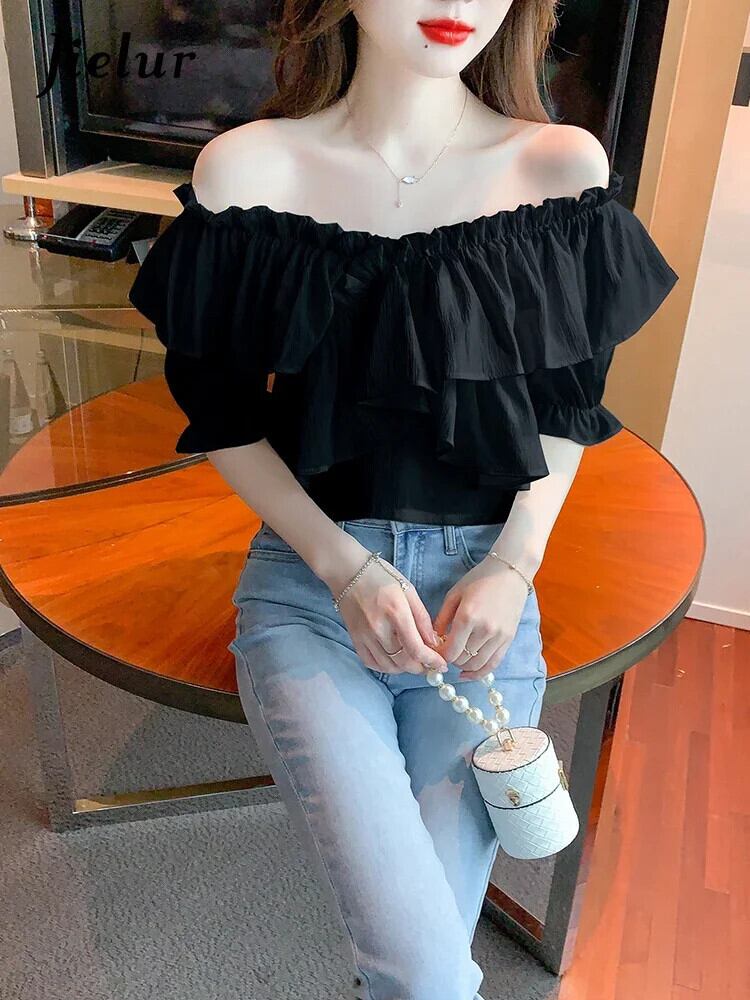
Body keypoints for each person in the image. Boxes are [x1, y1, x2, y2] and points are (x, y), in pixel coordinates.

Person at [128, 3, 679, 998]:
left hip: (482, 609)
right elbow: (222, 418)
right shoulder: (248, 173)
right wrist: (347, 572)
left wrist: (513, 566)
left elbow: (569, 409)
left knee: (419, 970)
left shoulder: (558, 168)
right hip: (313, 593)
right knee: (425, 969)